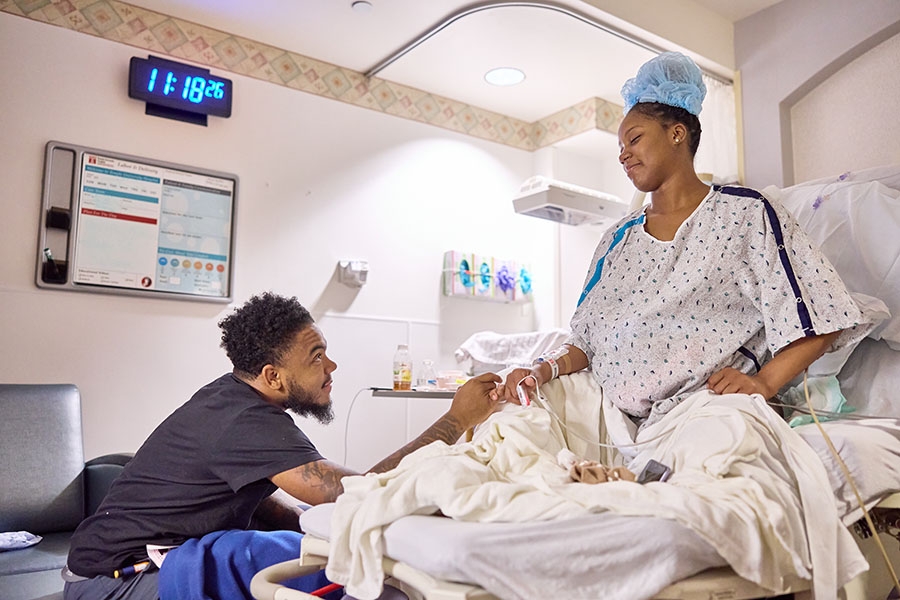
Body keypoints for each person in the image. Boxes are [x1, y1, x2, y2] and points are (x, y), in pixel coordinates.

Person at [499, 52, 874, 429]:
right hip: (608, 414)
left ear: (676, 133)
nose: (623, 154)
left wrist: (763, 382)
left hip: (703, 410)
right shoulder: (617, 238)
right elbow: (584, 339)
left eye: (634, 139)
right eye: (619, 147)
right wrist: (542, 369)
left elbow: (823, 313)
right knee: (509, 428)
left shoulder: (745, 216)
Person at [64, 292, 502, 600]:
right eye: (316, 356)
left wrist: (311, 524)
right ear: (273, 376)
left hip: (116, 566)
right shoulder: (244, 420)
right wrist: (456, 418)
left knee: (306, 533)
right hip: (115, 583)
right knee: (330, 569)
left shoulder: (233, 397)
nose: (331, 366)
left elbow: (258, 497)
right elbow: (361, 490)